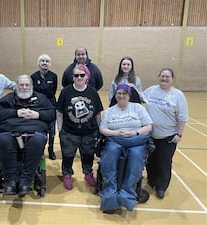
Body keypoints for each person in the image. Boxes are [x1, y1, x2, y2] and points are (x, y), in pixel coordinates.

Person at [0, 75, 55, 196]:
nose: (24, 88)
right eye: (21, 85)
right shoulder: (8, 99)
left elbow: (51, 114)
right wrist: (15, 112)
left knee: (38, 141)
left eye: (27, 85)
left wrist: (37, 115)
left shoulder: (41, 98)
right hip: (10, 131)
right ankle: (11, 181)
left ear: (31, 86)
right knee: (4, 140)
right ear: (17, 86)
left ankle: (25, 180)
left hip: (35, 132)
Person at [99, 84, 152, 213]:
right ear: (115, 95)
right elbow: (102, 129)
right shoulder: (110, 111)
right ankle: (110, 195)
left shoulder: (138, 108)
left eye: (124, 93)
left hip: (136, 141)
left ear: (129, 95)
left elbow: (149, 126)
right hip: (115, 140)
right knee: (110, 153)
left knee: (136, 155)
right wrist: (116, 133)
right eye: (119, 93)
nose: (121, 96)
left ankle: (127, 193)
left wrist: (135, 133)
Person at [142, 68, 188, 199]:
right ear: (158, 77)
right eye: (162, 76)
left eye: (167, 77)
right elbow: (139, 96)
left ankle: (161, 186)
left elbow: (183, 117)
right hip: (151, 135)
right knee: (151, 161)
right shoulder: (152, 90)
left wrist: (179, 134)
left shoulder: (178, 95)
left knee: (164, 162)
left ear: (172, 79)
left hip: (168, 136)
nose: (164, 79)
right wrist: (131, 86)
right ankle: (151, 180)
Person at [57, 64, 103, 190]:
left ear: (87, 76)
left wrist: (99, 129)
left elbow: (98, 112)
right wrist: (60, 129)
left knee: (88, 154)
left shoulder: (92, 92)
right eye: (76, 75)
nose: (79, 77)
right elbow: (59, 112)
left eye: (81, 75)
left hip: (89, 132)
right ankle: (67, 174)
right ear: (73, 77)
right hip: (69, 131)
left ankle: (87, 173)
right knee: (68, 155)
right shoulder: (66, 91)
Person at [31, 54, 58, 160]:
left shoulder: (53, 76)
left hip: (51, 107)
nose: (44, 63)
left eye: (47, 61)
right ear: (38, 63)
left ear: (49, 64)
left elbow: (53, 91)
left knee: (52, 131)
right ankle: (40, 150)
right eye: (42, 61)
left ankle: (50, 150)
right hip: (38, 107)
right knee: (40, 130)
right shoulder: (33, 76)